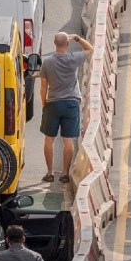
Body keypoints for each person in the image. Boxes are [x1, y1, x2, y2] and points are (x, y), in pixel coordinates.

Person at [39, 31, 94, 184]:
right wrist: (77, 38)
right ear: (67, 44)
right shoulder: (73, 58)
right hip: (71, 103)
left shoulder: (47, 62)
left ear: (54, 43)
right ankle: (64, 173)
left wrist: (44, 103)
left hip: (53, 103)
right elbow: (90, 49)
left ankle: (49, 172)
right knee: (67, 140)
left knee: (49, 139)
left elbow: (43, 85)